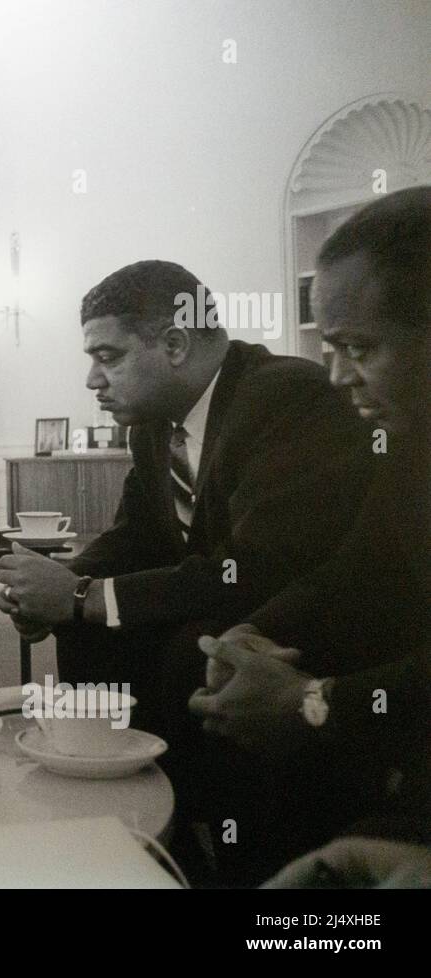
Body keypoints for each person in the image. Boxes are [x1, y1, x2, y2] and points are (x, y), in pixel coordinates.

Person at [0, 260, 372, 742]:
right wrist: (64, 584)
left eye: (107, 357)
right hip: (222, 598)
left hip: (292, 617)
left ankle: (193, 808)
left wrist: (80, 596)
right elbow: (136, 535)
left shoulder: (286, 397)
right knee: (89, 627)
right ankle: (108, 769)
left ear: (175, 345)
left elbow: (257, 568)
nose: (93, 380)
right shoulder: (153, 424)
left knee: (182, 641)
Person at [188, 186, 431, 886]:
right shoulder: (406, 444)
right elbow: (355, 571)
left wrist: (313, 703)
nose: (336, 377)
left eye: (358, 348)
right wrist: (246, 634)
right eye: (330, 347)